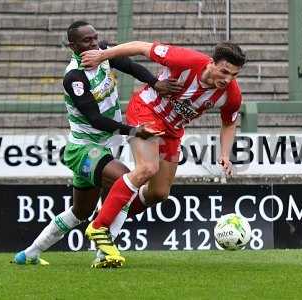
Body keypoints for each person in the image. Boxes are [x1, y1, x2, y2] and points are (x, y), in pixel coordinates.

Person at [13, 21, 182, 268]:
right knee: (127, 179)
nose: (93, 44)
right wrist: (134, 131)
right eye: (86, 41)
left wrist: (155, 82)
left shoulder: (102, 54)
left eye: (95, 38)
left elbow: (129, 65)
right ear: (73, 46)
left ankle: (29, 253)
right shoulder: (74, 77)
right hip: (83, 149)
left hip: (103, 147)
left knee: (79, 212)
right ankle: (104, 253)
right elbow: (95, 119)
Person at [81, 40, 246, 265]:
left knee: (159, 193)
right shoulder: (186, 60)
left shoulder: (231, 94)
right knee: (147, 168)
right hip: (146, 110)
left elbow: (229, 122)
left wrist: (225, 154)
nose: (227, 79)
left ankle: (108, 215)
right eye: (224, 71)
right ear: (212, 63)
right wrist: (103, 56)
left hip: (173, 130)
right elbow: (141, 46)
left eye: (233, 75)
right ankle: (99, 225)